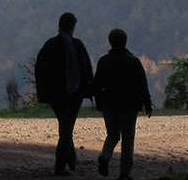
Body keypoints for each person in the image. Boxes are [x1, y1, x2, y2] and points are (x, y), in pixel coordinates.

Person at [34, 12, 94, 176]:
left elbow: (40, 69)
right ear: (73, 27)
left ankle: (71, 160)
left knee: (65, 126)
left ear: (59, 25)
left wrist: (43, 92)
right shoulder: (78, 45)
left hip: (55, 94)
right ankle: (61, 166)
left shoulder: (50, 45)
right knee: (67, 128)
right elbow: (87, 69)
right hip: (74, 94)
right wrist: (91, 90)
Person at [92, 28, 153, 180]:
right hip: (129, 105)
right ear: (125, 42)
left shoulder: (104, 61)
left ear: (110, 42)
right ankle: (124, 174)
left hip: (109, 105)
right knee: (128, 139)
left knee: (112, 135)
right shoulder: (133, 61)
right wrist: (148, 104)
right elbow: (142, 85)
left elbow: (97, 85)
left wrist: (99, 102)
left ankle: (105, 155)